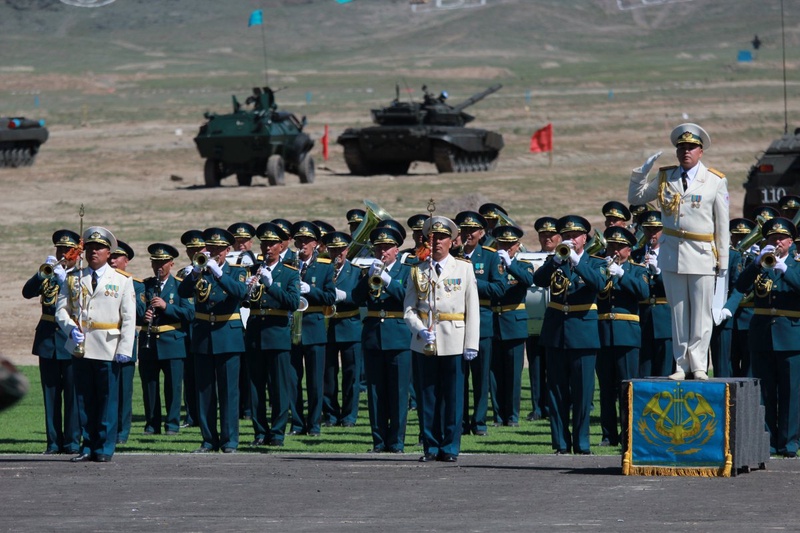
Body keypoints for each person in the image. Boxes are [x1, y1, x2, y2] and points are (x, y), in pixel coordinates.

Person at [628, 123, 730, 380]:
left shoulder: (715, 180)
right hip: (673, 252)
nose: (686, 152)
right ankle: (681, 365)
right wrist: (641, 173)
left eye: (691, 147)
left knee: (701, 313)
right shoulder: (666, 177)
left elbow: (722, 224)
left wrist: (723, 260)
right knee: (679, 312)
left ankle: (698, 365)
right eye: (681, 148)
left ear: (701, 151)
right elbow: (637, 197)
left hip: (703, 251)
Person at [56, 226, 136, 462]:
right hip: (82, 346)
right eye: (90, 247)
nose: (93, 252)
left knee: (107, 400)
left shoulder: (121, 280)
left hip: (108, 346)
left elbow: (129, 318)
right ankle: (88, 445)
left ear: (108, 252)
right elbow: (61, 309)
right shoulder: (74, 277)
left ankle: (105, 447)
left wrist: (125, 349)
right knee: (84, 399)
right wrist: (70, 328)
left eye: (99, 248)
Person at [722, 218, 800, 457]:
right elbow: (741, 286)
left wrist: (784, 270)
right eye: (772, 238)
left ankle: (789, 443)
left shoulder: (796, 264)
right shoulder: (760, 263)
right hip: (762, 334)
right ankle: (766, 439)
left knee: (791, 392)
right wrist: (756, 264)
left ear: (790, 241)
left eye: (781, 238)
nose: (776, 242)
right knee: (764, 391)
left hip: (791, 334)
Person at [404, 216, 479, 463]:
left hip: (455, 338)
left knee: (454, 396)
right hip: (425, 341)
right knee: (427, 396)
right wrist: (419, 328)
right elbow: (409, 308)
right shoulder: (417, 270)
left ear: (452, 241)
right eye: (433, 238)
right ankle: (431, 446)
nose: (437, 243)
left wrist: (471, 343)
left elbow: (472, 308)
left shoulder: (463, 267)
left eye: (442, 238)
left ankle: (450, 446)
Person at [533, 215, 606, 455]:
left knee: (583, 392)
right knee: (556, 391)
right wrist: (555, 261)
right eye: (566, 236)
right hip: (556, 332)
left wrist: (578, 262)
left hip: (583, 332)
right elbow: (538, 280)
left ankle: (582, 442)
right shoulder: (556, 260)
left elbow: (598, 284)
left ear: (584, 238)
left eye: (575, 236)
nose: (570, 240)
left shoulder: (595, 262)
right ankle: (561, 443)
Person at [178, 227, 249, 453]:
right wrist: (195, 273)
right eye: (211, 249)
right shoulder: (200, 269)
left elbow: (240, 292)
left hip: (228, 334)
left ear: (227, 250)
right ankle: (209, 439)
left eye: (219, 249)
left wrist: (218, 272)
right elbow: (182, 292)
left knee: (229, 392)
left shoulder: (237, 271)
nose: (215, 253)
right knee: (204, 392)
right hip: (203, 335)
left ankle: (230, 441)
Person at [22, 229, 82, 455]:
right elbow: (27, 292)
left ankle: (72, 442)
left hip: (70, 338)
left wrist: (64, 279)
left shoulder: (81, 274)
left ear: (76, 252)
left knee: (73, 394)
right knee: (51, 394)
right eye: (60, 250)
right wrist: (40, 274)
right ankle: (53, 442)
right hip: (48, 339)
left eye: (67, 250)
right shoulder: (49, 271)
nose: (63, 254)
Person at [353, 226, 411, 454]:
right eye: (379, 248)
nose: (382, 252)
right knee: (376, 393)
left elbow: (408, 298)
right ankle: (378, 441)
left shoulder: (407, 271)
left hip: (398, 336)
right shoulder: (368, 271)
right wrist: (367, 278)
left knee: (398, 392)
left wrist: (388, 281)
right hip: (373, 335)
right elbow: (356, 298)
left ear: (396, 250)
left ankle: (396, 441)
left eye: (387, 248)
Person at [244, 222, 300, 447]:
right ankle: (259, 431)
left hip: (277, 334)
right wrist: (245, 288)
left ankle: (277, 432)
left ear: (280, 246)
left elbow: (293, 302)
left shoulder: (289, 273)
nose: (267, 248)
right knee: (256, 388)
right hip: (256, 332)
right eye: (264, 243)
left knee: (279, 387)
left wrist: (271, 285)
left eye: (272, 244)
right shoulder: (252, 270)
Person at [594, 227, 648, 447]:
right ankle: (608, 435)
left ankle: (629, 434)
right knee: (606, 389)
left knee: (627, 388)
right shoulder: (599, 268)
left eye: (620, 247)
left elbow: (643, 292)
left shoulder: (636, 269)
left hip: (626, 334)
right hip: (603, 333)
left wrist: (622, 274)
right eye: (612, 246)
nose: (615, 250)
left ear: (629, 249)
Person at [454, 211, 504, 436]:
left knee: (481, 376)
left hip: (481, 322)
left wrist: (473, 281)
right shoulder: (452, 256)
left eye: (472, 231)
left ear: (482, 233)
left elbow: (499, 289)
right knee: (458, 376)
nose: (467, 234)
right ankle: (461, 421)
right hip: (456, 322)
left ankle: (480, 421)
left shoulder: (491, 257)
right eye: (464, 230)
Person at [137, 243, 193, 436]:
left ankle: (172, 424)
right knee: (149, 386)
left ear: (171, 263)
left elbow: (189, 313)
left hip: (173, 341)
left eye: (162, 262)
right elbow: (134, 310)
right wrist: (142, 317)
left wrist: (165, 307)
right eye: (155, 262)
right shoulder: (145, 285)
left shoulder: (180, 286)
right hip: (149, 341)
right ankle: (152, 424)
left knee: (173, 387)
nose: (158, 266)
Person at [288, 221, 336, 437]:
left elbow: (330, 297)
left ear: (315, 244)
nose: (302, 245)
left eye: (307, 241)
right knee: (292, 379)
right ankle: (297, 424)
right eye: (299, 241)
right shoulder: (289, 264)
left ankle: (314, 424)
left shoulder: (325, 266)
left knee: (316, 381)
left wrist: (311, 290)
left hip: (314, 327)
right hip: (292, 328)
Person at [489, 224, 535, 428]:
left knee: (513, 373)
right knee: (494, 373)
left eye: (510, 245)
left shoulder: (523, 265)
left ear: (518, 246)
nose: (506, 248)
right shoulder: (491, 264)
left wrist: (509, 264)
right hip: (492, 322)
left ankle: (513, 416)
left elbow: (528, 281)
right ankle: (498, 415)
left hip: (514, 322)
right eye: (502, 244)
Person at [321, 231, 364, 428]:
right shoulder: (322, 269)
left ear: (347, 250)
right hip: (327, 327)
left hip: (350, 326)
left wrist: (344, 296)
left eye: (340, 250)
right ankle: (330, 414)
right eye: (333, 249)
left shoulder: (355, 271)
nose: (336, 253)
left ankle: (349, 416)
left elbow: (361, 297)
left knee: (351, 375)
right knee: (328, 375)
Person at [108, 240, 143, 445]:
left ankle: (122, 431)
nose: (112, 260)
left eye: (117, 257)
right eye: (110, 256)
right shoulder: (100, 279)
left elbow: (139, 314)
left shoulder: (135, 284)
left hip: (125, 340)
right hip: (103, 340)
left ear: (126, 261)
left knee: (123, 390)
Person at [525, 217, 561, 421]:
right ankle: (538, 406)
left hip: (558, 321)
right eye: (543, 235)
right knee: (536, 366)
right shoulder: (531, 259)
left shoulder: (567, 258)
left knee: (557, 368)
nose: (547, 238)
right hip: (536, 321)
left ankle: (557, 405)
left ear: (559, 237)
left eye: (552, 234)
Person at [631, 210, 674, 377]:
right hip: (643, 318)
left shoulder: (671, 254)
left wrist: (658, 273)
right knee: (644, 371)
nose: (652, 234)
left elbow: (675, 286)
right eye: (648, 229)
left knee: (665, 371)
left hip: (665, 319)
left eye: (656, 229)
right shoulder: (635, 256)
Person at [226, 222, 256, 422]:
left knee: (249, 368)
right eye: (238, 241)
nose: (241, 245)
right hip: (233, 316)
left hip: (248, 316)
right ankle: (238, 407)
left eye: (244, 241)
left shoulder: (255, 261)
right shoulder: (229, 263)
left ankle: (248, 407)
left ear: (251, 242)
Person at [178, 229, 206, 428]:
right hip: (190, 330)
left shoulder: (212, 271)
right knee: (190, 376)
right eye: (191, 250)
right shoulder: (183, 274)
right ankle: (192, 415)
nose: (195, 253)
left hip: (206, 327)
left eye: (199, 249)